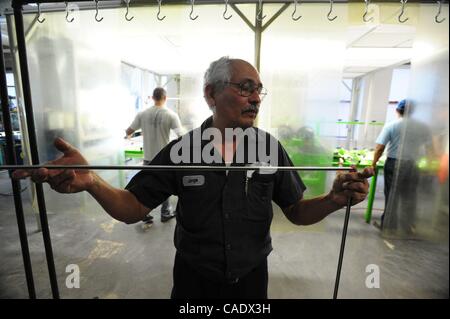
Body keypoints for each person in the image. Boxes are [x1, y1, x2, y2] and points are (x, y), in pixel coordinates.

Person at [13, 57, 372, 299]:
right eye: (245, 87)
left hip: (251, 279)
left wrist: (333, 200)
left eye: (259, 90)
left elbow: (295, 210)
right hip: (194, 281)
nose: (256, 98)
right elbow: (133, 207)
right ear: (211, 94)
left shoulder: (269, 148)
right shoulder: (182, 151)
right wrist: (92, 182)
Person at [372, 99, 434, 232]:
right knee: (410, 196)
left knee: (391, 196)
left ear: (397, 111)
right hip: (412, 165)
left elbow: (379, 148)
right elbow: (430, 149)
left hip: (394, 164)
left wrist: (373, 163)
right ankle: (407, 227)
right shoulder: (422, 127)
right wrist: (429, 166)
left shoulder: (392, 125)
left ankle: (389, 226)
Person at [126, 87, 183, 226]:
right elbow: (182, 136)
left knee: (145, 186)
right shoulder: (171, 115)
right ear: (165, 98)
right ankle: (165, 213)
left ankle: (144, 214)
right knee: (164, 186)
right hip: (163, 158)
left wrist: (133, 136)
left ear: (153, 98)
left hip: (148, 157)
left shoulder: (142, 114)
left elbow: (129, 131)